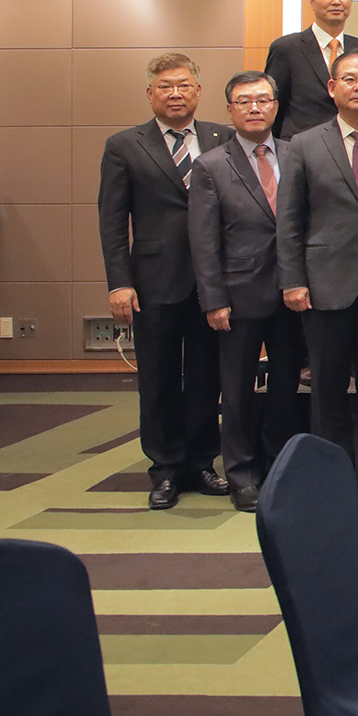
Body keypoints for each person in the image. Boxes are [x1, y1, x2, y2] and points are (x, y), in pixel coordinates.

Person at [276, 50, 358, 508]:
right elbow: (290, 220)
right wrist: (293, 279)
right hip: (322, 283)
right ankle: (330, 474)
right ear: (332, 88)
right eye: (348, 79)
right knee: (328, 387)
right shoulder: (303, 144)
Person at [100, 53, 234, 510]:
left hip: (212, 281)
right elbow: (113, 222)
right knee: (157, 379)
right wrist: (120, 282)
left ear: (198, 91)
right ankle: (164, 469)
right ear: (150, 94)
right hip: (153, 281)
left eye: (183, 86)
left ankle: (200, 462)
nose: (175, 94)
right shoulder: (124, 145)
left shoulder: (225, 138)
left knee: (205, 377)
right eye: (165, 87)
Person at [189, 71, 300, 512]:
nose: (255, 108)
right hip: (237, 295)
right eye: (244, 101)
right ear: (230, 109)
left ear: (276, 105)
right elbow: (203, 240)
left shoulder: (298, 155)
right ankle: (242, 474)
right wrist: (213, 299)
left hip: (293, 293)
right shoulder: (211, 165)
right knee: (235, 390)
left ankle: (281, 469)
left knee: (286, 389)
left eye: (263, 99)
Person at [265, 0, 358, 138]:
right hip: (302, 147)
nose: (336, 2)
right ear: (311, 1)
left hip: (353, 144)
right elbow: (273, 106)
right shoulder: (286, 48)